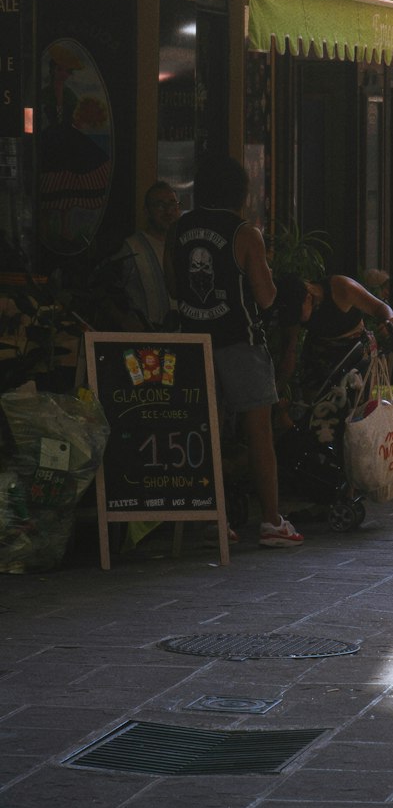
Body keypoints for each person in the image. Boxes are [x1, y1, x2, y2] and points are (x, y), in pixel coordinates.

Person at [167, 153, 301, 548]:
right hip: (239, 342)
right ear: (241, 193)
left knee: (206, 433)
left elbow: (174, 288)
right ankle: (272, 522)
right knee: (258, 432)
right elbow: (264, 296)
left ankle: (214, 520)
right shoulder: (245, 233)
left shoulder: (178, 229)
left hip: (192, 343)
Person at [299, 265, 393, 400]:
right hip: (319, 359)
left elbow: (379, 307)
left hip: (355, 354)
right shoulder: (295, 308)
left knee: (357, 405)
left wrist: (390, 322)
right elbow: (290, 347)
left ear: (309, 297)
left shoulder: (341, 287)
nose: (300, 319)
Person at [117, 181, 180, 329]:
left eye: (172, 204)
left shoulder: (186, 245)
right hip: (146, 339)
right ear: (146, 211)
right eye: (159, 205)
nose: (168, 211)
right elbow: (103, 290)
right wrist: (123, 321)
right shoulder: (131, 248)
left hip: (182, 338)